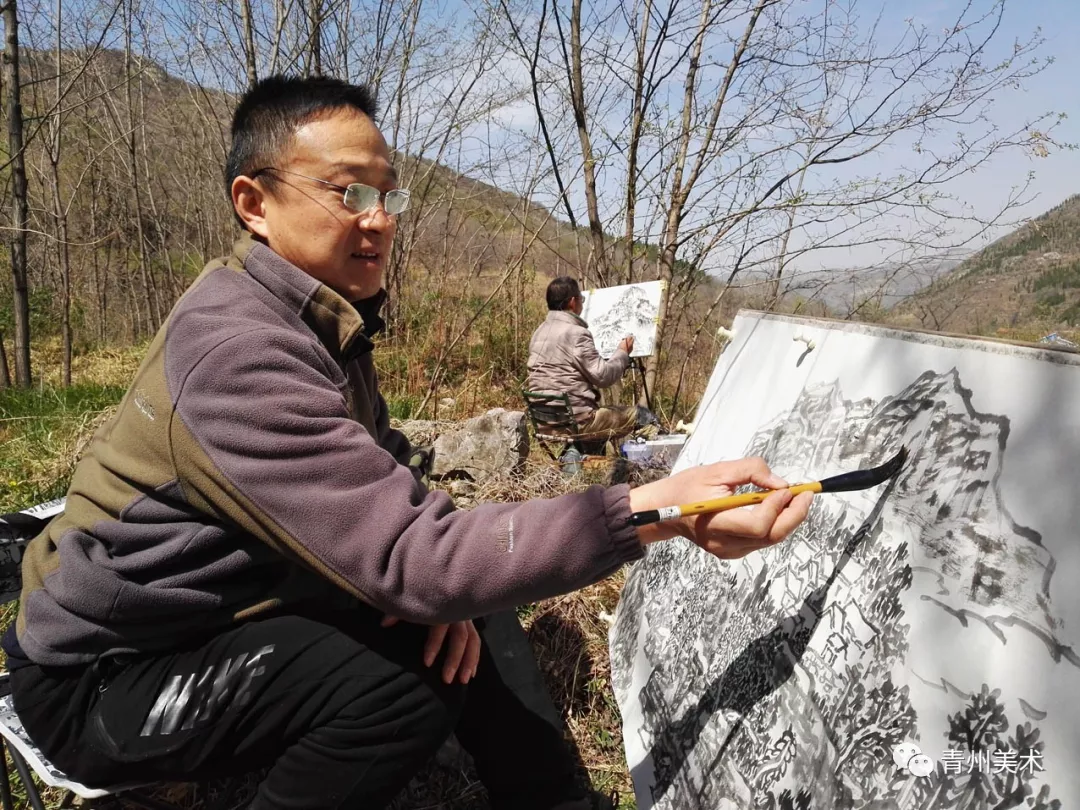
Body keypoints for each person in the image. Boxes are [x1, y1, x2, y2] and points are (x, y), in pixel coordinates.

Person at [2, 75, 813, 810]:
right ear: (254, 203)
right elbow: (412, 560)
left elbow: (394, 478)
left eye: (388, 193)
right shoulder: (239, 350)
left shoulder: (321, 321)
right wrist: (654, 509)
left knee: (471, 595)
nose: (379, 217)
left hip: (237, 603)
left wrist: (444, 582)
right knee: (398, 686)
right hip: (105, 672)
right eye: (346, 190)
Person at [527, 277, 650, 446]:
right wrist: (622, 352)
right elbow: (603, 377)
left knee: (596, 415)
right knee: (642, 416)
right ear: (572, 301)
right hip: (575, 423)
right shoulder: (576, 334)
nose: (582, 304)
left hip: (545, 423)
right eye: (581, 299)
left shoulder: (538, 333)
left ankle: (578, 461)